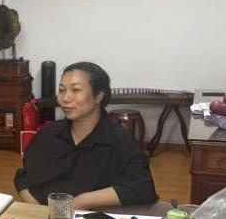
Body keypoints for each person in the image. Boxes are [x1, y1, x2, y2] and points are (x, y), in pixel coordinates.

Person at [14, 62, 157, 209]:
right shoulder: (48, 134)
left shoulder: (119, 140)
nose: (65, 98)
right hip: (44, 218)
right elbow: (23, 178)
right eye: (62, 90)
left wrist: (81, 202)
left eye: (76, 90)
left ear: (98, 96)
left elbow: (142, 188)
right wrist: (37, 210)